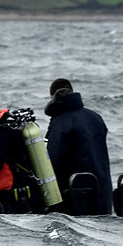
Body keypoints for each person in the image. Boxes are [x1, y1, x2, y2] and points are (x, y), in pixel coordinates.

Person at [43, 78, 113, 216]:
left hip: (76, 193)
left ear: (53, 97)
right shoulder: (95, 117)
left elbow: (55, 160)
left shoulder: (61, 122)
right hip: (102, 190)